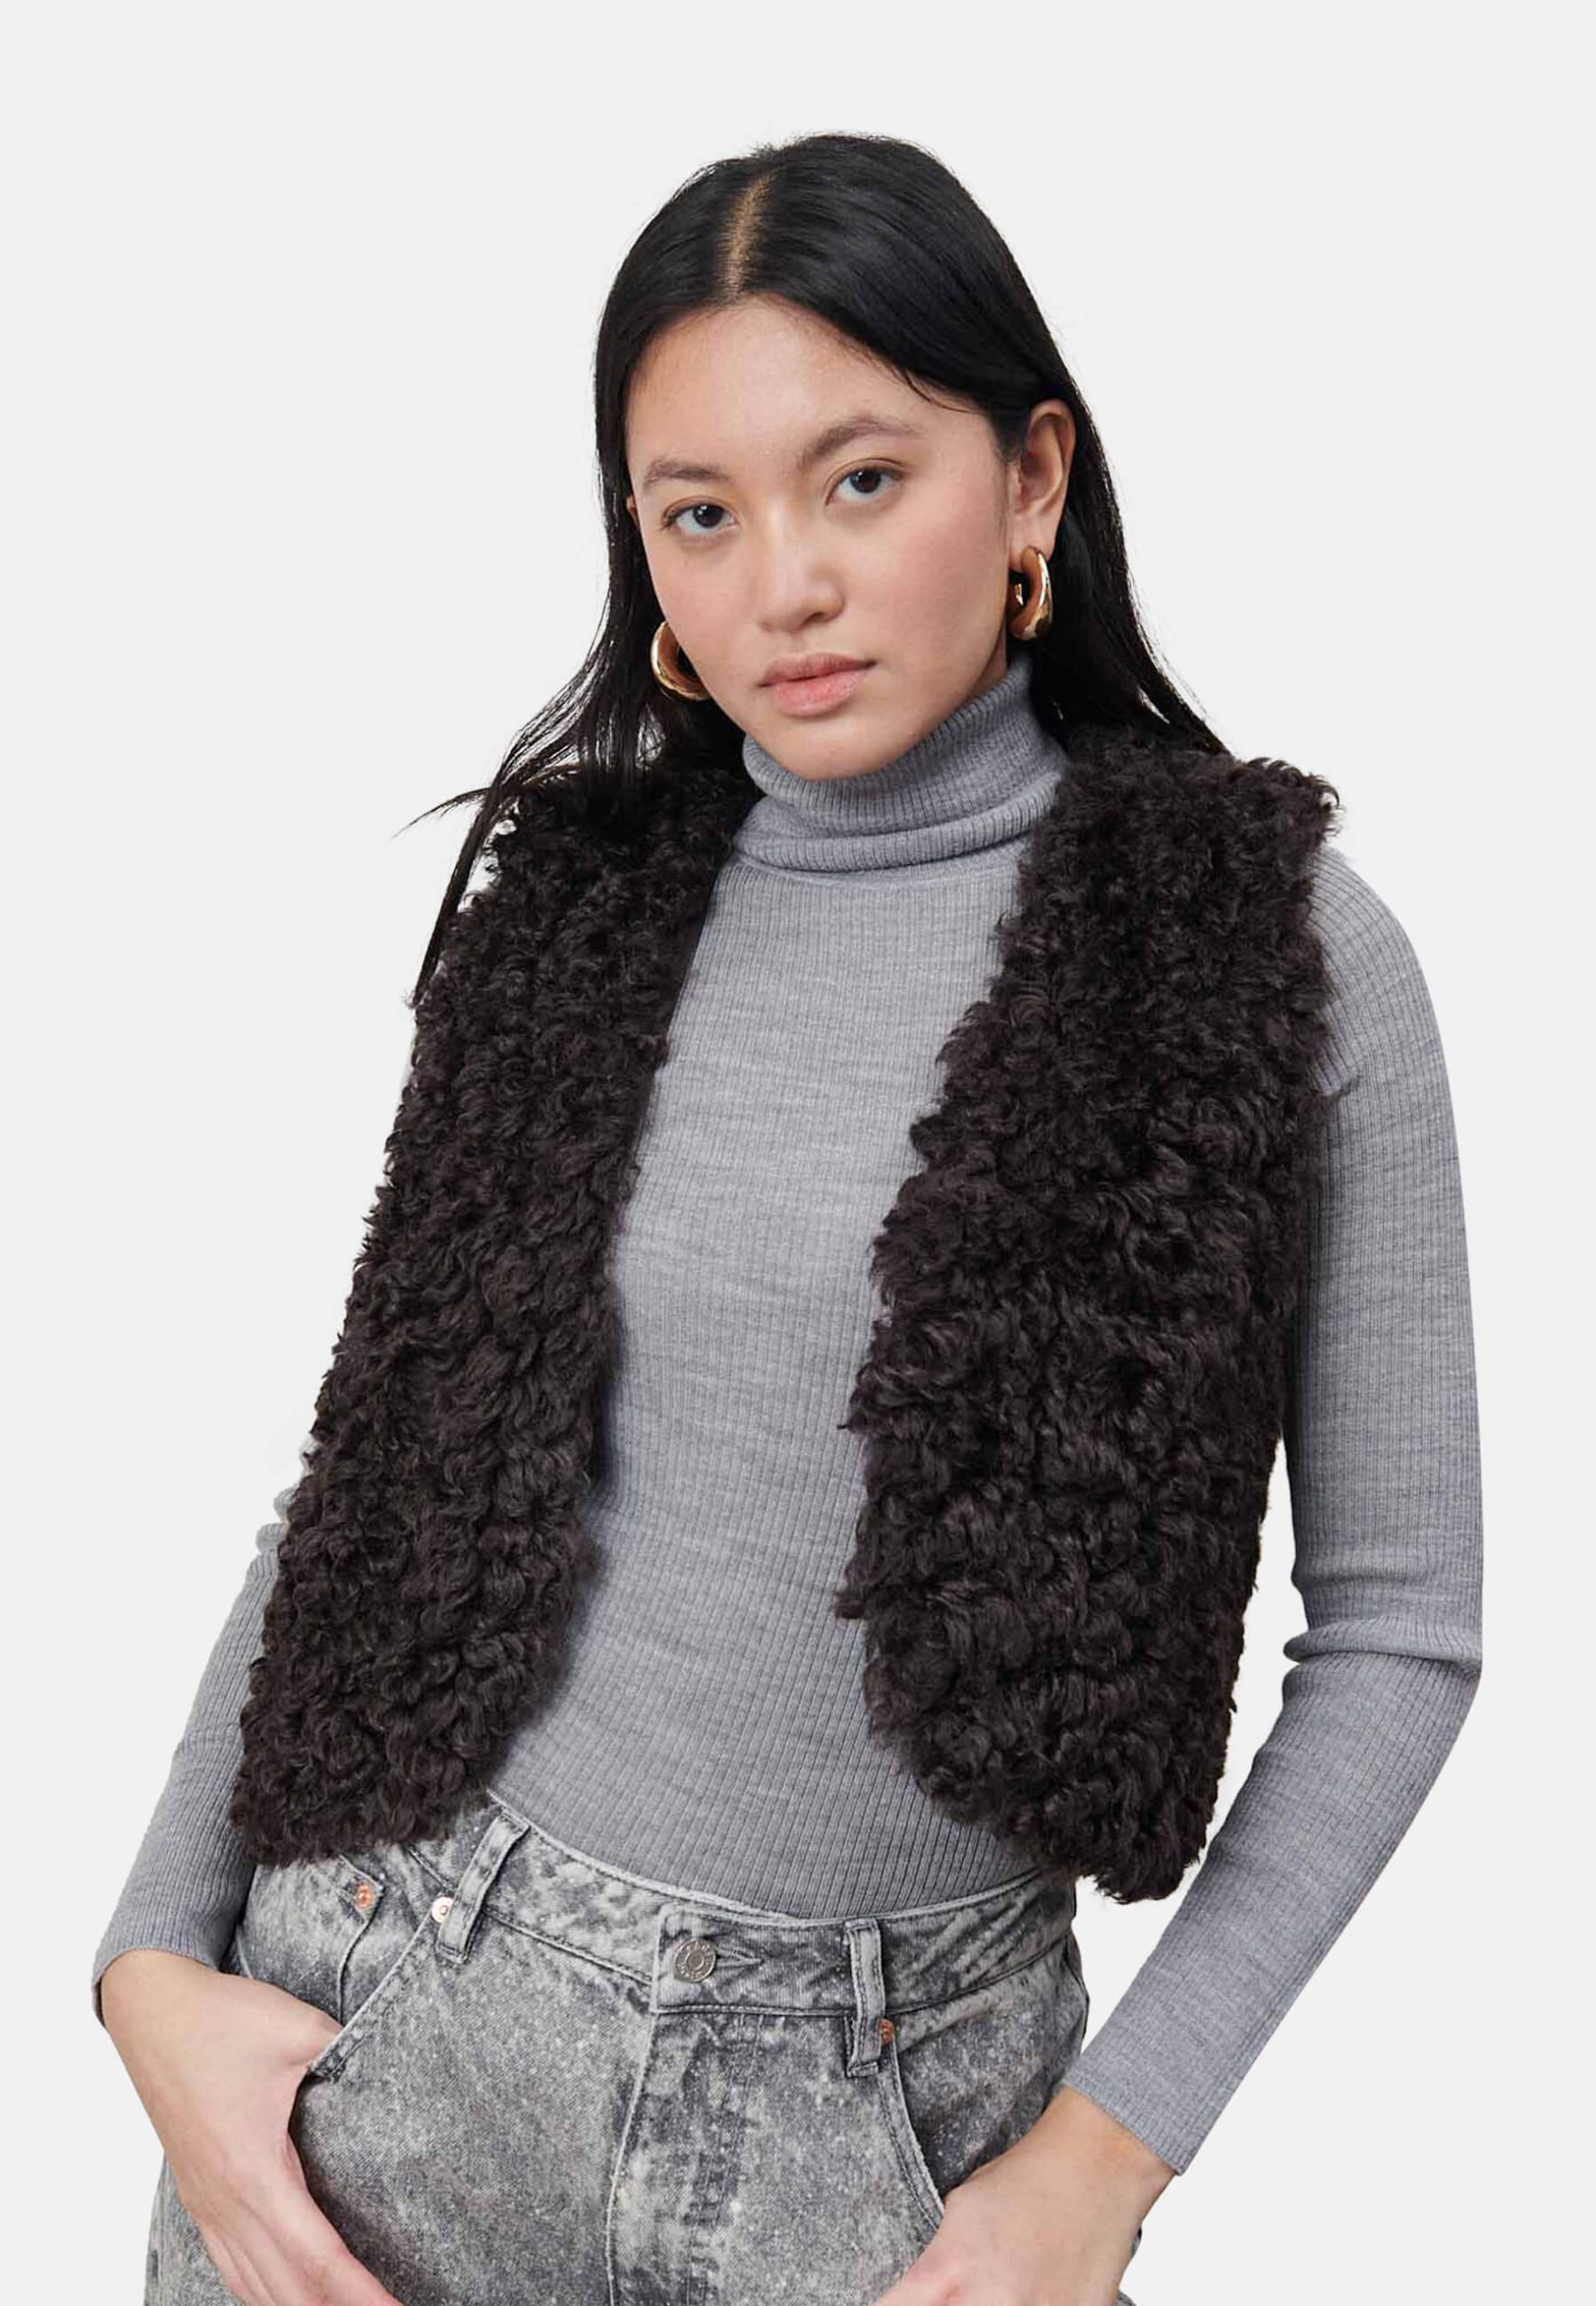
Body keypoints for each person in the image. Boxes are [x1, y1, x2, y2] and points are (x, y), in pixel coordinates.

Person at [93, 130, 1483, 2306]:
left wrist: (1102, 2158)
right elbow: (368, 1482)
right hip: (385, 2024)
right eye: (699, 514)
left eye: (861, 479)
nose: (784, 586)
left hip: (888, 2127)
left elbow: (1400, 1631)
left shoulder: (1261, 947)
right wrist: (145, 1966)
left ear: (1030, 482)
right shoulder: (579, 906)